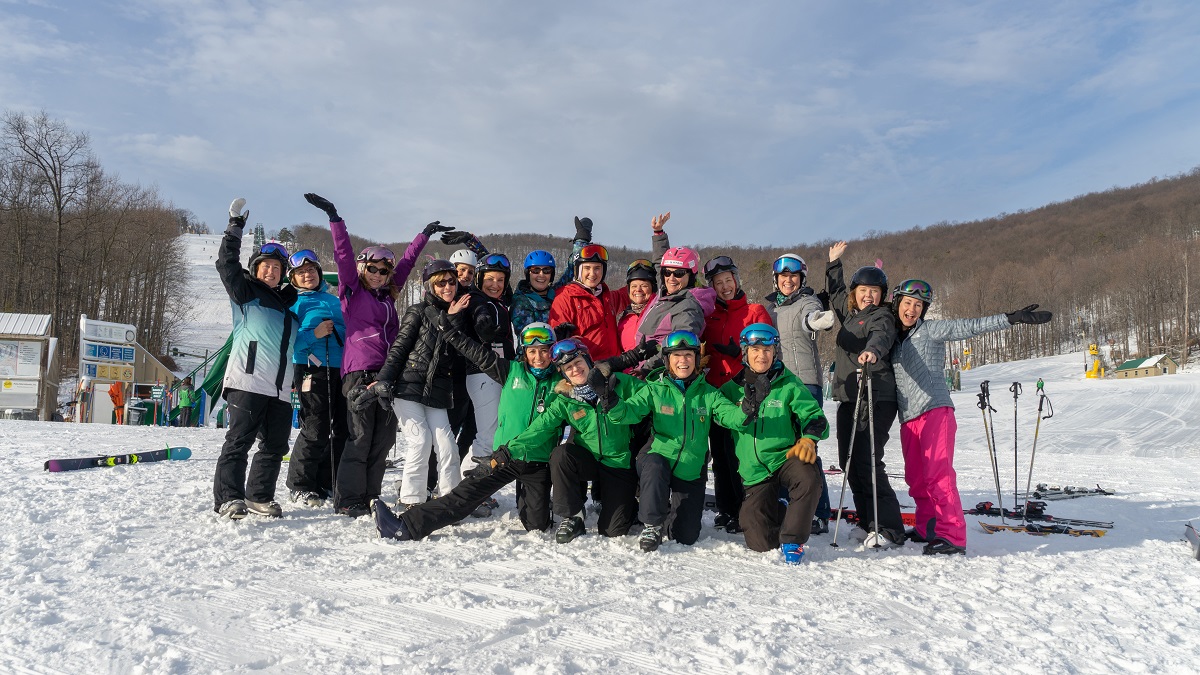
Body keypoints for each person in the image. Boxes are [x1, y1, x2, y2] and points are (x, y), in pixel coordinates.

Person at [370, 321, 654, 541]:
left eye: (544, 351)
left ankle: (591, 508)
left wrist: (630, 360)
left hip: (541, 463)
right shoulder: (515, 372)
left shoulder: (564, 383)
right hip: (509, 455)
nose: (539, 357)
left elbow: (606, 373)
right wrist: (502, 453)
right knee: (467, 494)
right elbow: (479, 355)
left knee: (537, 524)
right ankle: (407, 525)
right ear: (525, 353)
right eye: (533, 351)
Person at [305, 192, 449, 517]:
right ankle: (348, 499)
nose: (379, 274)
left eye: (384, 271)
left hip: (387, 376)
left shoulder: (388, 296)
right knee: (359, 438)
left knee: (382, 442)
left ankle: (370, 496)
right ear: (362, 268)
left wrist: (423, 235)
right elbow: (342, 255)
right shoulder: (352, 294)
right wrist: (335, 218)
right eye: (373, 268)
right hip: (358, 373)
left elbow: (408, 263)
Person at [890, 279, 1052, 554]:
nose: (912, 309)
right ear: (897, 304)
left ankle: (952, 536)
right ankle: (927, 526)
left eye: (918, 305)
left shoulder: (931, 330)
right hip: (908, 418)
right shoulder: (892, 338)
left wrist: (1010, 319)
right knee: (916, 478)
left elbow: (968, 327)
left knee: (938, 476)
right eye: (907, 303)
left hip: (935, 410)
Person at [603, 330, 749, 552]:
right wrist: (612, 402)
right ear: (667, 360)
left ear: (696, 359)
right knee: (655, 464)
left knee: (686, 536)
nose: (683, 361)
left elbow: (733, 418)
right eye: (676, 356)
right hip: (657, 457)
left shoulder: (709, 394)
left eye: (689, 355)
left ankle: (671, 513)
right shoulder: (655, 389)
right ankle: (652, 524)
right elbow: (628, 412)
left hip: (690, 467)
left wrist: (748, 407)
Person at [505, 338, 642, 542]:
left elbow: (650, 401)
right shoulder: (565, 400)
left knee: (613, 531)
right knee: (561, 454)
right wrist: (507, 451)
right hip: (588, 459)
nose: (575, 369)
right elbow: (540, 429)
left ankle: (629, 505)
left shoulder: (621, 383)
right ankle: (573, 517)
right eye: (568, 368)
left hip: (618, 462)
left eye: (578, 362)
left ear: (588, 361)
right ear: (564, 374)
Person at [212, 198, 298, 519]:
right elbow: (227, 265)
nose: (272, 272)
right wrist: (235, 226)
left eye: (277, 268)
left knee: (275, 446)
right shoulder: (245, 292)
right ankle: (228, 498)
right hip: (248, 379)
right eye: (266, 266)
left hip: (280, 389)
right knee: (239, 441)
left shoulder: (290, 306)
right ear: (256, 268)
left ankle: (258, 496)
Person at [719, 324, 830, 564]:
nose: (762, 355)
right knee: (760, 542)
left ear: (775, 351)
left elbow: (815, 416)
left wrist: (809, 439)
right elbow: (723, 416)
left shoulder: (789, 384)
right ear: (745, 352)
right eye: (756, 349)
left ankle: (793, 540)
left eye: (768, 350)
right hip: (755, 472)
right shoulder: (731, 389)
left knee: (808, 476)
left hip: (785, 458)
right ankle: (780, 508)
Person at [825, 241, 905, 547]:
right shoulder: (849, 316)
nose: (869, 295)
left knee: (868, 461)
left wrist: (872, 351)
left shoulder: (881, 316)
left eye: (875, 290)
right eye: (863, 290)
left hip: (875, 395)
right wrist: (833, 264)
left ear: (882, 295)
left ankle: (888, 528)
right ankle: (867, 520)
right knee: (849, 463)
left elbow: (882, 337)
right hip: (849, 396)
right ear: (856, 293)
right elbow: (835, 295)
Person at [368, 259, 465, 509]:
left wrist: (452, 320)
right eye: (440, 283)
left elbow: (455, 351)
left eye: (451, 282)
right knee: (420, 441)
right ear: (430, 286)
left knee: (447, 444)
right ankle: (411, 498)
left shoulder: (459, 314)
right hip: (408, 387)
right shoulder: (418, 311)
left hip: (438, 391)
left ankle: (449, 498)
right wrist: (384, 379)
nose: (447, 287)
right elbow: (400, 348)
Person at [762, 253, 837, 533]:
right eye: (784, 277)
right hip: (778, 385)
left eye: (793, 276)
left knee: (807, 450)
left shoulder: (807, 301)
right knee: (783, 447)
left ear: (801, 279)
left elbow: (811, 318)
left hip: (805, 383)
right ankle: (786, 505)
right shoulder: (771, 309)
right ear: (777, 280)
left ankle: (818, 512)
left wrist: (818, 321)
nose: (788, 281)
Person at [700, 255, 774, 533]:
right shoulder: (709, 315)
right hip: (716, 393)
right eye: (718, 283)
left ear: (736, 280)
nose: (724, 287)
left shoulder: (754, 311)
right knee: (720, 455)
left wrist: (743, 360)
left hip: (745, 390)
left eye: (728, 280)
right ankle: (727, 508)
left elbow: (768, 345)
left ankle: (748, 509)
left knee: (743, 455)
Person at [284, 249, 348, 507]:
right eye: (301, 272)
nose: (307, 275)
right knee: (315, 427)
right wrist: (316, 334)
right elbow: (289, 343)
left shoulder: (334, 301)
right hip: (311, 368)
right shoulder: (293, 303)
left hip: (341, 368)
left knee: (342, 427)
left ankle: (326, 481)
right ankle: (300, 485)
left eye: (311, 270)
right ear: (293, 278)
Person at [633, 212, 715, 370]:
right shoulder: (667, 293)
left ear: (690, 276)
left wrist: (645, 368)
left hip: (658, 372)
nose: (671, 278)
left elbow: (681, 345)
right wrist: (658, 234)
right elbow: (659, 264)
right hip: (642, 363)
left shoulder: (688, 306)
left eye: (678, 274)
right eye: (667, 272)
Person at [549, 236, 628, 362]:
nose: (592, 274)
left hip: (616, 368)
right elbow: (558, 345)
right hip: (588, 370)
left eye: (597, 268)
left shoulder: (608, 297)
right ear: (578, 271)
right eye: (587, 268)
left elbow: (637, 289)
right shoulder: (565, 298)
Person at [510, 217, 592, 332]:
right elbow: (528, 335)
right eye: (535, 270)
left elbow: (573, 269)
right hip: (536, 349)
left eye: (546, 271)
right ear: (528, 274)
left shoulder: (555, 293)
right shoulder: (521, 301)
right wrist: (556, 334)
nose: (541, 275)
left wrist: (582, 240)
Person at [616, 259, 657, 353]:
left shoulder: (658, 311)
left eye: (644, 286)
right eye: (634, 286)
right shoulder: (625, 316)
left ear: (653, 288)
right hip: (628, 367)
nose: (638, 290)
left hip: (652, 366)